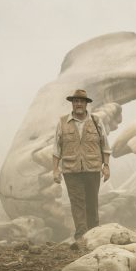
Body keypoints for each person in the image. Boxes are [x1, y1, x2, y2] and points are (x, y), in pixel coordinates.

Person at [52, 89, 111, 240]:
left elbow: (105, 145)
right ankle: (81, 236)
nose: (78, 104)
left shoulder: (96, 122)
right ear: (72, 104)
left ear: (86, 104)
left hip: (92, 168)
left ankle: (94, 234)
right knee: (77, 203)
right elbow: (56, 148)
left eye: (81, 101)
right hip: (71, 170)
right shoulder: (62, 122)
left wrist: (106, 166)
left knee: (92, 202)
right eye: (75, 101)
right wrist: (55, 170)